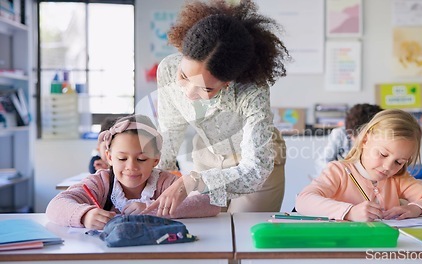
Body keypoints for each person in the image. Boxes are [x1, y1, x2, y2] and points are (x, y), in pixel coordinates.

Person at [145, 0, 290, 215]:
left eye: (205, 89)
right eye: (184, 76)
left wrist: (193, 181)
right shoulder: (168, 68)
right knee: (205, 235)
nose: (189, 94)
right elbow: (171, 129)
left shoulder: (252, 90)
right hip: (208, 159)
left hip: (256, 169)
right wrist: (153, 183)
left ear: (228, 82)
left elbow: (256, 167)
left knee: (243, 236)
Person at [46, 115, 220, 229]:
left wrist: (151, 210)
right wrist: (85, 215)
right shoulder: (101, 182)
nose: (131, 167)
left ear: (155, 160)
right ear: (109, 157)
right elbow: (55, 206)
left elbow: (211, 203)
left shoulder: (164, 183)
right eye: (122, 159)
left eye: (142, 159)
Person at [296, 109, 422, 222]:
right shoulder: (339, 171)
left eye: (399, 162)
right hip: (343, 247)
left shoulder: (398, 179)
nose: (388, 167)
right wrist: (350, 212)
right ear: (365, 140)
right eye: (383, 154)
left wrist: (415, 208)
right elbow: (304, 201)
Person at [315, 104, 383, 176]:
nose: (361, 144)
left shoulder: (380, 137)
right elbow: (323, 161)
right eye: (354, 138)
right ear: (349, 133)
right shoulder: (339, 134)